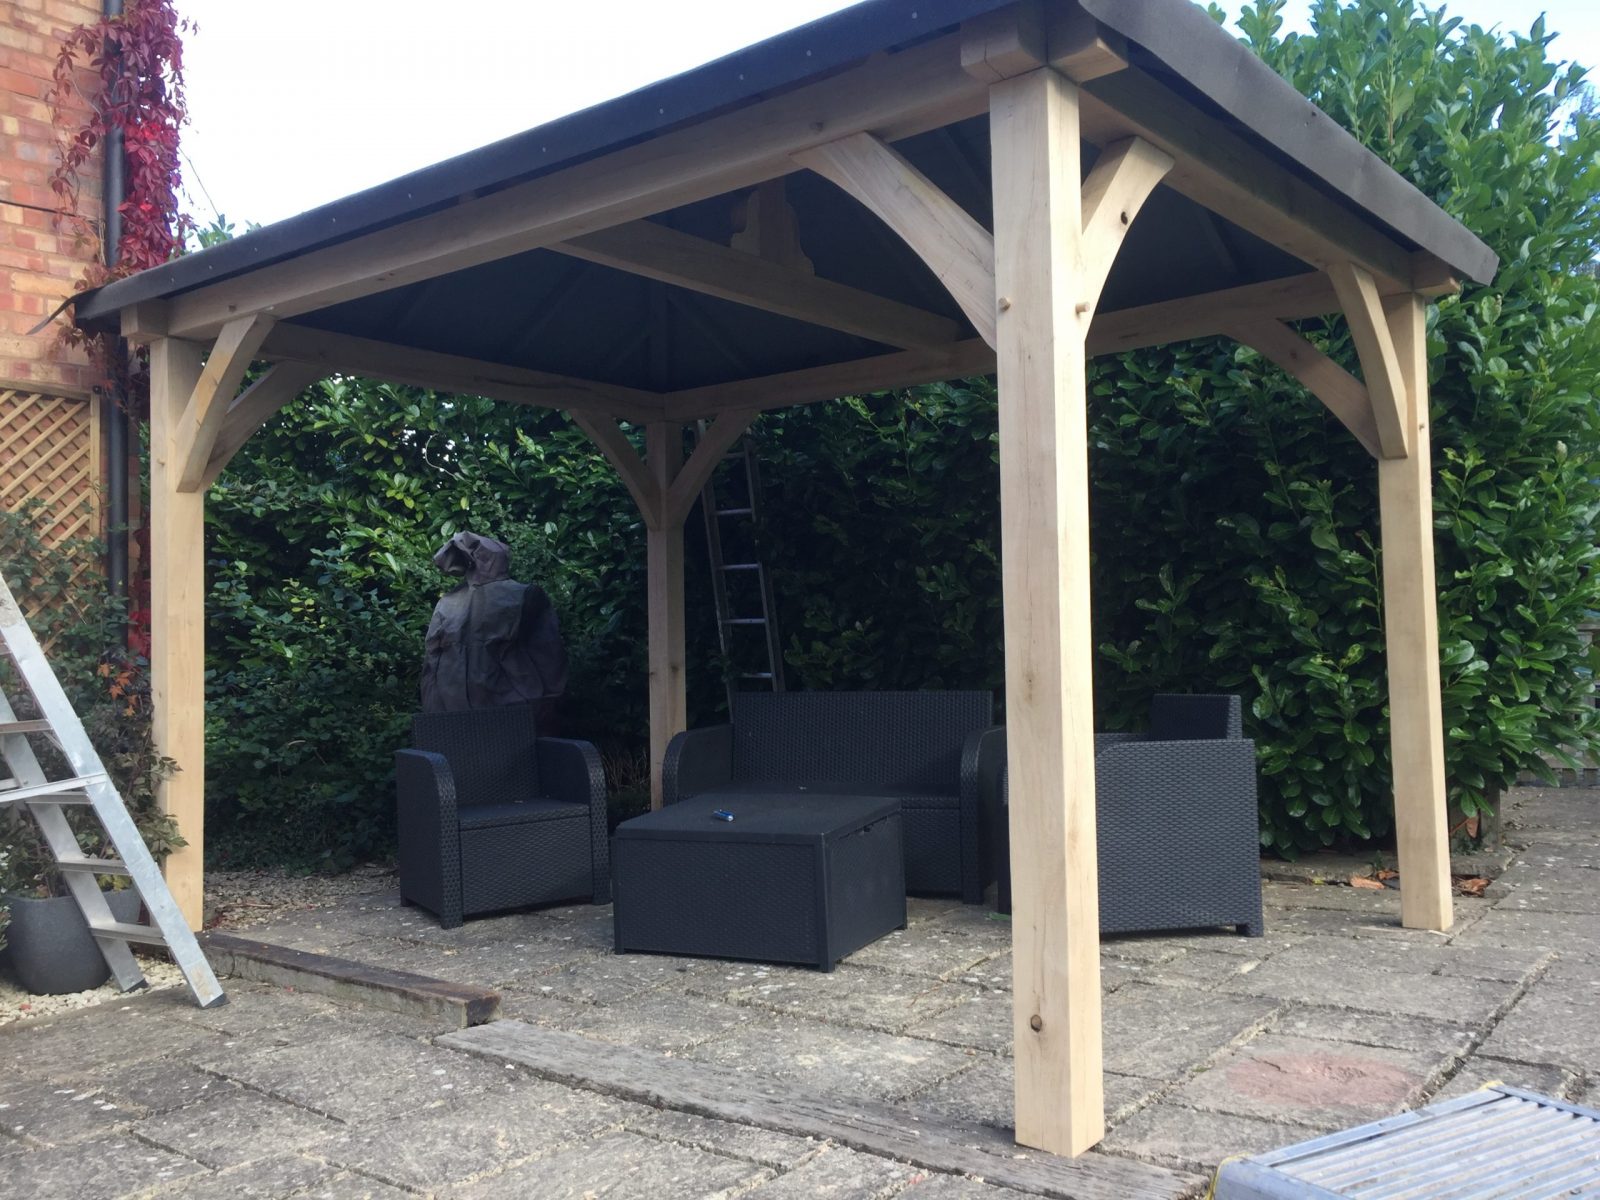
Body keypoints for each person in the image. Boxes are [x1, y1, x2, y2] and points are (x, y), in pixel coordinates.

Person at [419, 531, 568, 716]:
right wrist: (547, 707)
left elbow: (431, 664)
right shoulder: (525, 595)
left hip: (452, 713)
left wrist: (433, 712)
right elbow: (550, 658)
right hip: (514, 712)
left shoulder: (447, 603)